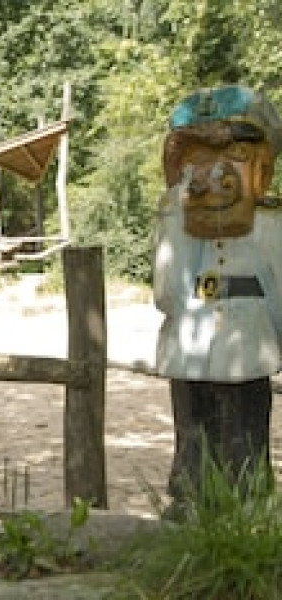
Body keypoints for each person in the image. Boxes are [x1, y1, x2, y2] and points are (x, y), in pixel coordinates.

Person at [153, 85, 282, 510]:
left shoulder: (270, 225)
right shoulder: (176, 220)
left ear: (262, 166)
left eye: (236, 155)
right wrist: (175, 213)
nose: (214, 174)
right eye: (198, 158)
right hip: (189, 348)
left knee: (244, 435)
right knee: (192, 433)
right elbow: (167, 292)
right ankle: (188, 501)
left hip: (248, 348)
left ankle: (248, 506)